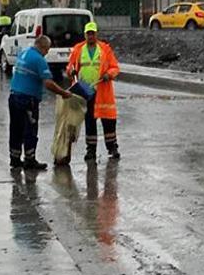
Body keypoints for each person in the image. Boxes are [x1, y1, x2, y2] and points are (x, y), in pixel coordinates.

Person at [9, 35, 72, 170]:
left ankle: (14, 158)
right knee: (30, 130)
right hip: (27, 100)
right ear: (42, 47)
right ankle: (30, 159)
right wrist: (63, 93)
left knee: (16, 128)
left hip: (14, 96)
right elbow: (48, 83)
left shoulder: (24, 53)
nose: (47, 53)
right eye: (47, 50)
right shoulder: (39, 60)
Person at [66, 22, 121, 161]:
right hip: (86, 91)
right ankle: (91, 150)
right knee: (90, 121)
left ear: (96, 34)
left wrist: (109, 74)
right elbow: (70, 67)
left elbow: (115, 67)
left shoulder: (105, 49)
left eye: (93, 33)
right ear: (85, 34)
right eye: (88, 33)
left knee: (108, 120)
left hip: (102, 91)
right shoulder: (78, 49)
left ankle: (112, 148)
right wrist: (71, 71)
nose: (91, 36)